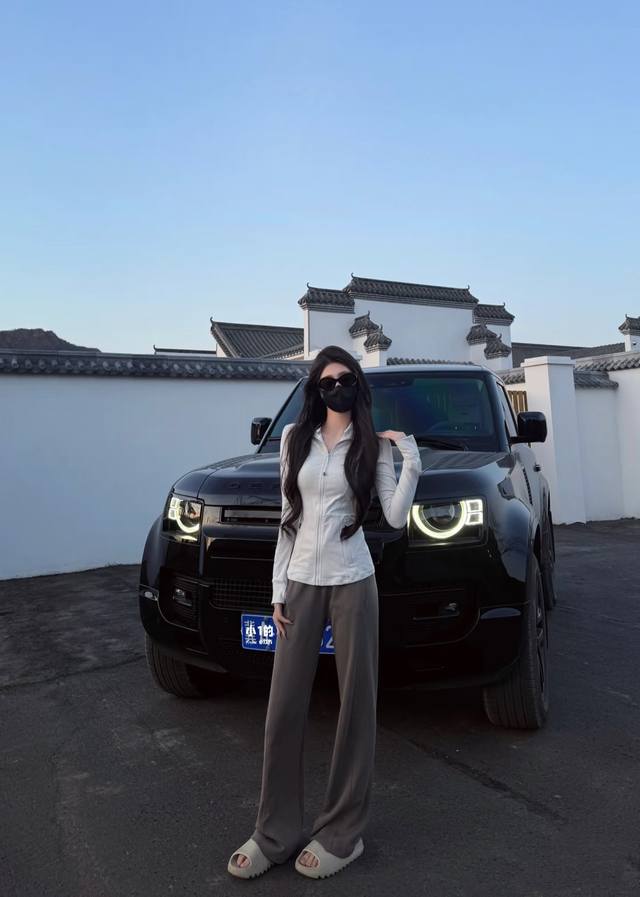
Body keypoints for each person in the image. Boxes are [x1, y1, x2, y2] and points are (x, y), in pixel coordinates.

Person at [227, 344, 422, 880]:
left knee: (356, 707)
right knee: (283, 709)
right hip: (300, 583)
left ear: (359, 385)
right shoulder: (295, 439)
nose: (338, 388)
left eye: (346, 379)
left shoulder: (371, 445)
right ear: (316, 389)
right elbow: (288, 518)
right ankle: (275, 833)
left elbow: (395, 516)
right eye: (327, 382)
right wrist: (278, 590)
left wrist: (411, 459)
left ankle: (342, 833)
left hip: (354, 581)